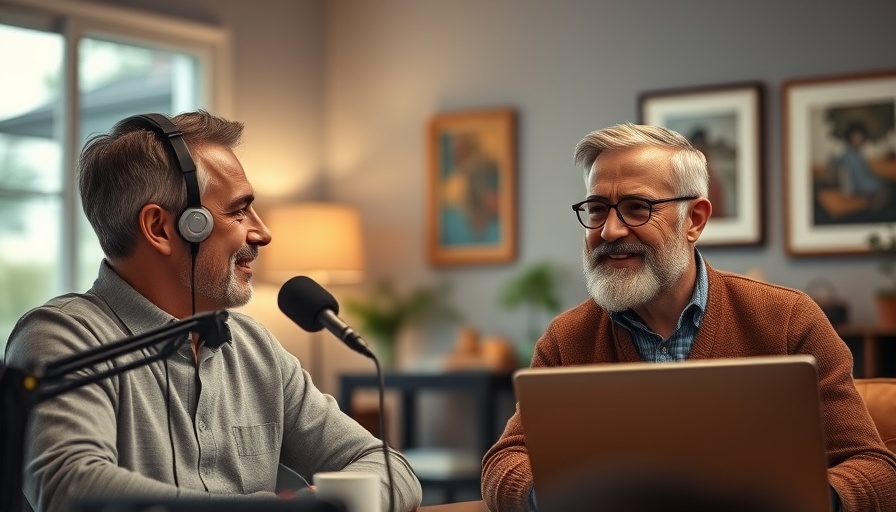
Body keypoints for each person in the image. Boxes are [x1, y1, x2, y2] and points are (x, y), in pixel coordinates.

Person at [4, 110, 422, 512]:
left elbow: (391, 470)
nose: (262, 232)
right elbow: (71, 490)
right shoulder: (61, 338)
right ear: (162, 228)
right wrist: (287, 509)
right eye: (238, 211)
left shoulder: (254, 347)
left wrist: (330, 504)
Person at [480, 123, 896, 512]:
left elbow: (876, 469)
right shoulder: (568, 337)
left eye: (636, 208)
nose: (609, 231)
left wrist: (806, 500)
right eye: (596, 209)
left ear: (694, 219)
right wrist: (556, 497)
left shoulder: (787, 319)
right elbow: (504, 461)